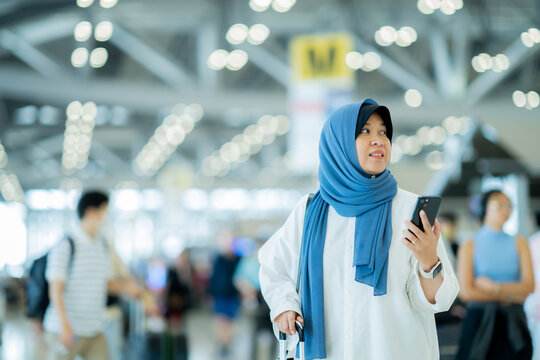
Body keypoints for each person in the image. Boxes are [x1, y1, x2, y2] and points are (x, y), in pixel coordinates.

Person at [258, 99, 459, 360]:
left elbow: (439, 301)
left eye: (383, 132)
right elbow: (274, 267)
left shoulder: (408, 209)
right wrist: (285, 306)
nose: (378, 140)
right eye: (365, 131)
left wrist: (429, 261)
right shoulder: (309, 212)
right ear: (338, 143)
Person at [43, 190, 140, 360]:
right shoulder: (67, 245)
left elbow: (107, 284)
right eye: (104, 211)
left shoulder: (102, 245)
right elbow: (55, 288)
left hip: (94, 329)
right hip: (65, 330)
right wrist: (65, 326)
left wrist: (128, 289)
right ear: (90, 211)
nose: (106, 217)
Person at [456, 190, 534, 359]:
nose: (505, 209)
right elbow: (467, 292)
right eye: (499, 204)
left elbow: (529, 286)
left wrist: (494, 287)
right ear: (484, 208)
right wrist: (510, 295)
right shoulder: (469, 245)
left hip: (513, 322)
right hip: (479, 321)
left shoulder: (520, 242)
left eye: (508, 205)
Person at [209, 240, 241, 358]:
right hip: (220, 296)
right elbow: (214, 278)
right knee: (221, 321)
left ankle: (227, 344)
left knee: (231, 323)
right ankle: (222, 344)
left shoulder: (238, 260)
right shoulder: (219, 259)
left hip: (233, 296)